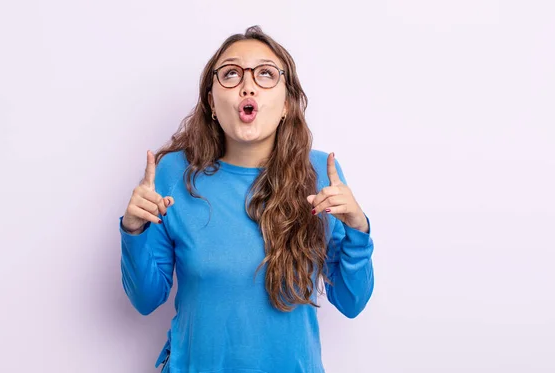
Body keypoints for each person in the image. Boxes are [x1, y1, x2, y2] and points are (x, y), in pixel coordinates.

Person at [119, 25, 374, 373]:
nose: (247, 85)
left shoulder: (319, 172)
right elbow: (146, 300)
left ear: (286, 103)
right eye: (231, 74)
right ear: (211, 101)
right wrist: (133, 232)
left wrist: (358, 232)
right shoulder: (172, 174)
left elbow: (351, 301)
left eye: (266, 73)